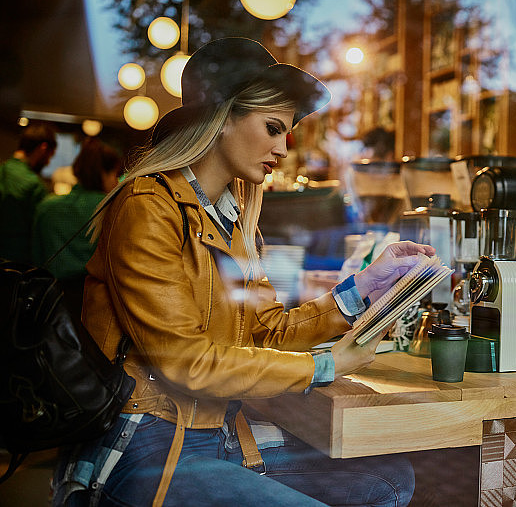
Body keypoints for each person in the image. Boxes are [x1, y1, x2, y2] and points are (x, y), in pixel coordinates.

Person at [51, 37, 434, 507]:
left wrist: (360, 289)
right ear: (221, 119)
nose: (283, 148)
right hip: (147, 441)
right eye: (273, 128)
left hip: (218, 430)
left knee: (389, 477)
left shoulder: (235, 222)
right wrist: (324, 365)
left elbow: (263, 330)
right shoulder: (147, 206)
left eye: (287, 133)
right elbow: (183, 361)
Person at [31, 137, 122, 320]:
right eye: (115, 175)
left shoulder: (46, 207)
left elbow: (35, 257)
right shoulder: (113, 209)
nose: (117, 182)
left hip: (51, 304)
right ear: (104, 173)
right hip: (96, 307)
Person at [0, 120, 57, 263]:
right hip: (18, 266)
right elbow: (42, 233)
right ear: (43, 148)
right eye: (50, 156)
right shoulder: (34, 184)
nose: (48, 162)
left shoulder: (2, 170)